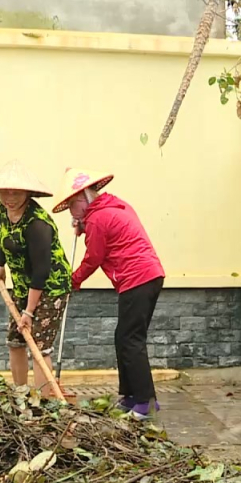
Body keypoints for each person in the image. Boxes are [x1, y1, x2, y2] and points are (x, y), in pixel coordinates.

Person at [52, 168, 165, 420]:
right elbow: (106, 236)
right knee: (123, 337)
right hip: (146, 276)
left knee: (131, 340)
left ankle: (145, 402)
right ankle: (130, 396)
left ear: (84, 197)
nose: (71, 211)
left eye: (72, 204)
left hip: (137, 277)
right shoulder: (114, 206)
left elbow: (94, 257)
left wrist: (74, 280)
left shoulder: (97, 219)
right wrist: (83, 227)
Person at [0, 160, 73, 397]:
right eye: (4, 191)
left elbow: (41, 270)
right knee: (15, 339)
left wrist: (28, 312)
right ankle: (20, 395)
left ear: (28, 192)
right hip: (20, 285)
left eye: (16, 192)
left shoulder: (37, 222)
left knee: (38, 346)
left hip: (50, 288)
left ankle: (43, 405)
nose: (9, 197)